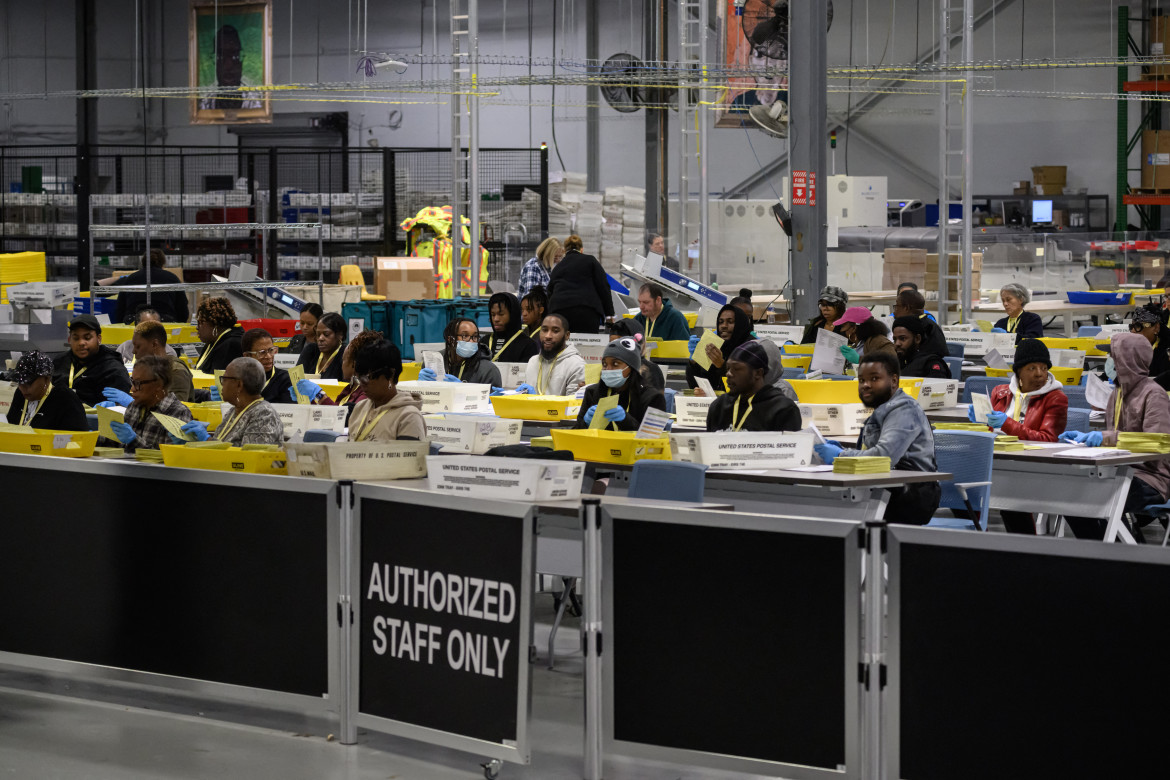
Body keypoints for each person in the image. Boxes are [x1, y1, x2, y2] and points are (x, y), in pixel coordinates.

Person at [1060, 333, 1170, 540]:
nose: (1109, 361)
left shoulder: (1154, 394)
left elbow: (1157, 443)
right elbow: (1113, 437)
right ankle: (1103, 556)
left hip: (1150, 477)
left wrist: (1105, 437)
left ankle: (1125, 555)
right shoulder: (1116, 393)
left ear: (1128, 359)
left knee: (1094, 501)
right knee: (1070, 500)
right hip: (1118, 471)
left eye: (1112, 355)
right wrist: (1088, 438)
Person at [813, 351, 942, 525]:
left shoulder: (905, 409)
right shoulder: (882, 409)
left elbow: (883, 457)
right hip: (887, 490)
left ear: (894, 381)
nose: (865, 385)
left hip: (910, 497)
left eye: (874, 379)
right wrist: (843, 451)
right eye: (861, 380)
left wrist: (841, 456)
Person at [966, 339, 1068, 535]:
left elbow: (1048, 439)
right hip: (998, 461)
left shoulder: (1056, 398)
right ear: (1018, 371)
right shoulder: (1001, 392)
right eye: (1032, 368)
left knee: (1003, 492)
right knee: (964, 489)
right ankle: (978, 541)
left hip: (1032, 465)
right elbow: (992, 430)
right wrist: (980, 421)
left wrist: (1007, 424)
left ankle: (1021, 546)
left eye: (1044, 367)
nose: (1039, 374)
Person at [178, 358, 284, 446]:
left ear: (239, 385)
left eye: (224, 379)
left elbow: (249, 456)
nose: (222, 384)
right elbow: (221, 443)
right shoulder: (234, 410)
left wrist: (206, 439)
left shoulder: (264, 414)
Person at [705, 340, 802, 432]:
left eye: (737, 368)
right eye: (728, 368)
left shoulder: (783, 410)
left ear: (758, 373)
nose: (728, 374)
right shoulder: (718, 407)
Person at [105, 355, 194, 453]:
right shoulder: (134, 407)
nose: (133, 389)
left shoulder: (178, 413)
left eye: (138, 383)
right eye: (132, 382)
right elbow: (117, 446)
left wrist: (133, 441)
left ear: (158, 385)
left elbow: (169, 459)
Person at [575, 336, 666, 431]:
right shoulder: (592, 392)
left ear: (631, 367)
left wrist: (626, 420)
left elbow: (654, 437)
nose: (608, 369)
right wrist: (585, 423)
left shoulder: (655, 398)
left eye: (615, 364)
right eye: (604, 364)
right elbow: (574, 435)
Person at [346, 341, 427, 442]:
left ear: (391, 374)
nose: (362, 383)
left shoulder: (409, 417)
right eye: (359, 378)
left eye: (367, 377)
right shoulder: (359, 408)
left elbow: (409, 458)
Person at [51, 314, 132, 407]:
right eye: (76, 338)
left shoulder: (113, 370)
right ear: (69, 340)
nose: (81, 343)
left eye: (87, 338)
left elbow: (120, 410)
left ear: (99, 339)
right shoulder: (59, 362)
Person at [294, 329, 385, 410]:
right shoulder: (349, 389)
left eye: (344, 360)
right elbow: (330, 411)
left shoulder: (367, 394)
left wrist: (318, 394)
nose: (342, 365)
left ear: (354, 364)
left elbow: (341, 416)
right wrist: (309, 398)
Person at [547, 234, 614, 334]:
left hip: (560, 312)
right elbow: (603, 287)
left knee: (565, 346)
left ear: (564, 251)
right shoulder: (590, 261)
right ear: (581, 249)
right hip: (587, 312)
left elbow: (550, 291)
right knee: (587, 346)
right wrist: (609, 315)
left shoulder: (558, 267)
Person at [6, 350, 87, 431]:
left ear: (47, 379)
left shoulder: (65, 398)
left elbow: (78, 437)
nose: (23, 388)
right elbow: (9, 426)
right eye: (20, 382)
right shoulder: (19, 394)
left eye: (29, 382)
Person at [111, 249, 189, 325]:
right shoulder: (172, 278)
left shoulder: (131, 278)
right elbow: (183, 309)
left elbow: (120, 308)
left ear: (143, 262)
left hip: (133, 321)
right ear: (163, 262)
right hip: (165, 322)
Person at [686, 304, 753, 392]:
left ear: (741, 324)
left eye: (730, 322)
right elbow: (695, 386)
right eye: (720, 322)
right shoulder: (715, 345)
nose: (723, 326)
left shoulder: (751, 348)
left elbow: (744, 387)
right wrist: (694, 363)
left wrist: (721, 365)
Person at [418, 318, 502, 386]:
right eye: (465, 336)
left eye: (475, 337)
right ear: (451, 340)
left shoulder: (488, 370)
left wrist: (462, 390)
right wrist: (419, 385)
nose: (472, 341)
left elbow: (492, 403)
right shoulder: (434, 362)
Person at [198, 25, 262, 111]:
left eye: (235, 56)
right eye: (221, 57)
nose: (228, 65)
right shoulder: (204, 105)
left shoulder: (257, 103)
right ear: (215, 62)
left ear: (241, 61)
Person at [519, 313, 586, 396]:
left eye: (555, 331)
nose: (548, 336)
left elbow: (573, 405)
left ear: (567, 335)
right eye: (544, 330)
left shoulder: (577, 365)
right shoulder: (533, 361)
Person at [128, 320, 193, 401]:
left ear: (154, 344)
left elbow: (175, 410)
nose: (133, 351)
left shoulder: (176, 371)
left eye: (138, 346)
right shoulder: (144, 369)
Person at [483, 292, 539, 364]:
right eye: (493, 315)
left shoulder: (527, 345)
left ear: (513, 315)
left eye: (501, 314)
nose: (496, 319)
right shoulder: (484, 342)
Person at [609, 318, 665, 391]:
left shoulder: (650, 370)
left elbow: (657, 400)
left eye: (621, 343)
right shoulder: (608, 367)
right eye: (611, 343)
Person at [192, 297, 244, 374]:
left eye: (201, 323)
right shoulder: (212, 342)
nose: (197, 327)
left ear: (214, 324)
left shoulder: (231, 345)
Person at [892, 288, 948, 358]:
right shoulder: (930, 324)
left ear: (906, 308)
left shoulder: (920, 327)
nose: (894, 312)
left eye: (896, 307)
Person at [241, 328, 292, 404]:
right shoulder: (239, 378)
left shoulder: (285, 379)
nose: (268, 356)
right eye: (262, 352)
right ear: (247, 356)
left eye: (271, 350)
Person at [296, 312, 346, 380]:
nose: (320, 338)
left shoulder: (345, 355)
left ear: (340, 335)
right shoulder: (311, 350)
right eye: (318, 334)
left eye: (326, 334)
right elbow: (296, 379)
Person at [1128, 307, 1170, 388]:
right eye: (1131, 326)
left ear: (1156, 327)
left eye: (1138, 326)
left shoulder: (1166, 350)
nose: (1133, 331)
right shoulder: (1134, 346)